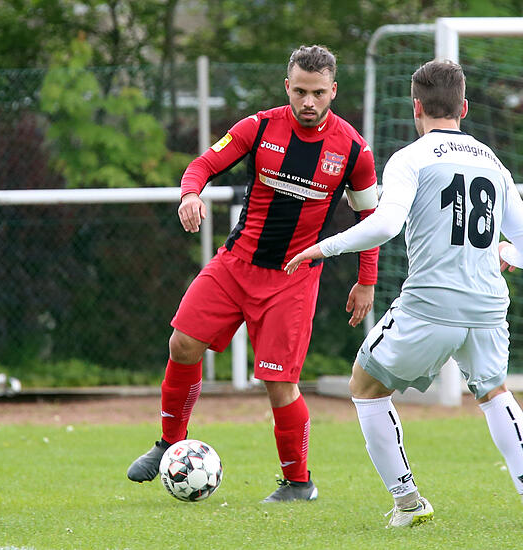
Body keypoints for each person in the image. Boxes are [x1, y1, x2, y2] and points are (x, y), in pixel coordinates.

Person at [284, 59, 523, 527]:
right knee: (494, 393)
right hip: (489, 307)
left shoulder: (410, 158)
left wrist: (322, 249)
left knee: (365, 386)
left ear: (417, 107)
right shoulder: (492, 162)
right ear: (464, 107)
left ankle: (408, 501)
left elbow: (386, 225)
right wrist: (500, 255)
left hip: (431, 304)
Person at [127, 45, 380, 503]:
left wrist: (367, 281)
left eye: (318, 93)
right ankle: (168, 442)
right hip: (235, 263)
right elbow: (201, 165)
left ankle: (298, 483)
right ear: (287, 86)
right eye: (300, 91)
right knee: (182, 343)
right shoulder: (259, 127)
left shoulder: (353, 150)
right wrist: (190, 194)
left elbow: (371, 221)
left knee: (279, 383)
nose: (308, 101)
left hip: (293, 276)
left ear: (333, 92)